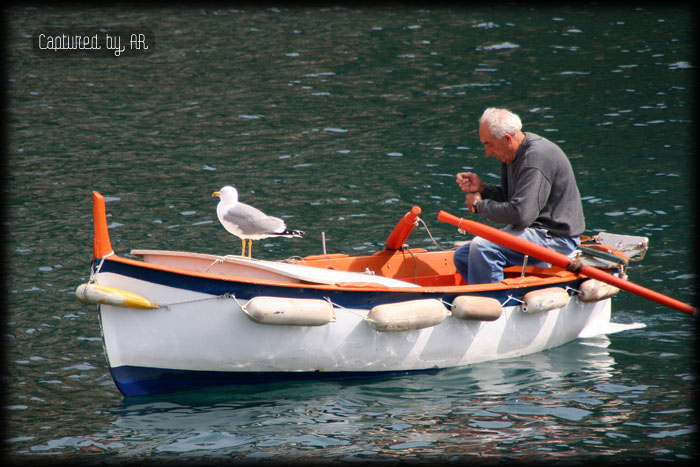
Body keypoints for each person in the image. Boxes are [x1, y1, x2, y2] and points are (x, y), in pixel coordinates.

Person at [453, 107, 585, 284]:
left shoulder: (534, 159)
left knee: (482, 248)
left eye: (489, 144)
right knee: (463, 255)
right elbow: (513, 200)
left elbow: (521, 214)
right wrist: (483, 189)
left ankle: (492, 303)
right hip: (534, 230)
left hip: (555, 237)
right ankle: (493, 294)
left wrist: (479, 206)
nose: (487, 152)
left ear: (507, 139)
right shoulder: (513, 153)